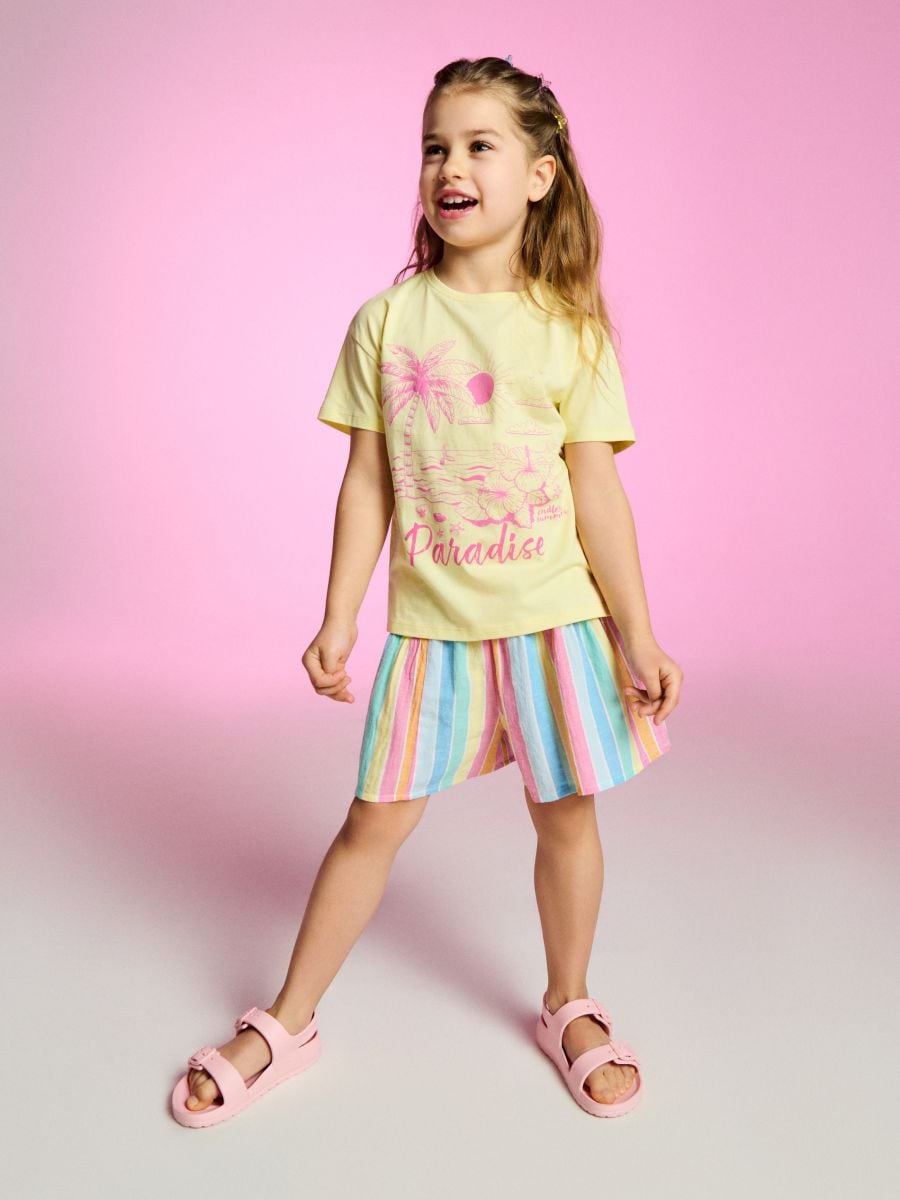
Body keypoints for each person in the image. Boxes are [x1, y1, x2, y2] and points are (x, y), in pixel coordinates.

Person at [170, 54, 683, 1128]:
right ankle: (288, 1021)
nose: (450, 166)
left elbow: (598, 490)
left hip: (554, 624)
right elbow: (368, 481)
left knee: (567, 819)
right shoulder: (388, 323)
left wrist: (637, 633)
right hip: (434, 633)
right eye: (434, 147)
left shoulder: (571, 330)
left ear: (538, 177)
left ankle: (570, 1001)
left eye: (479, 145)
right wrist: (338, 615)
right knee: (370, 826)